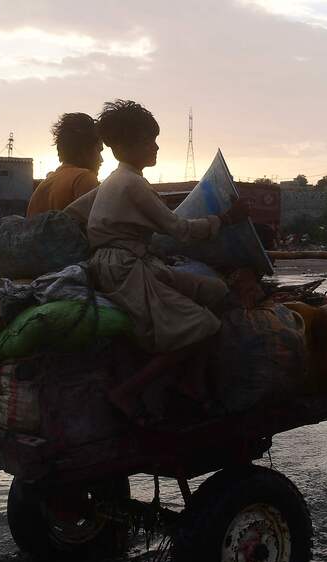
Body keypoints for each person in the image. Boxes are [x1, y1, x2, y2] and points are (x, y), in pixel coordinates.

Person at [65, 99, 249, 421]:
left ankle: (188, 383)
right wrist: (225, 219)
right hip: (125, 270)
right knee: (204, 325)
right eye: (149, 140)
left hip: (126, 263)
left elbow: (71, 213)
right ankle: (130, 390)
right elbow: (180, 230)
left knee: (216, 292)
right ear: (126, 145)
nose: (156, 146)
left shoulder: (115, 180)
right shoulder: (132, 184)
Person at [26, 113, 103, 216]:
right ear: (85, 151)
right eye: (99, 151)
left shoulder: (44, 185)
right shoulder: (84, 178)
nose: (101, 160)